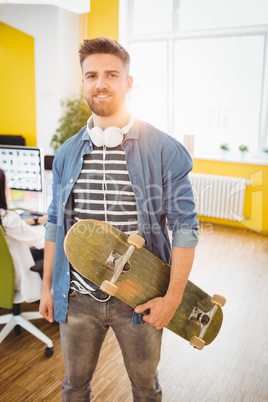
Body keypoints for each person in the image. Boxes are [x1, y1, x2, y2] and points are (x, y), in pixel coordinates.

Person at [40, 37, 199, 401]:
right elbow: (54, 223)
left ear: (128, 83)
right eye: (91, 75)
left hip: (140, 298)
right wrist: (47, 286)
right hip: (77, 298)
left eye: (111, 74)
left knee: (145, 388)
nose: (101, 83)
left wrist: (172, 300)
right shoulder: (66, 154)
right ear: (83, 82)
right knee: (74, 386)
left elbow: (185, 228)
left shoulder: (163, 149)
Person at [0, 168, 47, 303]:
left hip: (3, 277)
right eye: (6, 185)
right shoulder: (8, 218)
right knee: (51, 252)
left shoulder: (5, 220)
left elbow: (10, 226)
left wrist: (36, 220)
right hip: (16, 280)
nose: (9, 188)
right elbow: (42, 241)